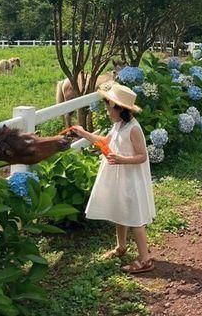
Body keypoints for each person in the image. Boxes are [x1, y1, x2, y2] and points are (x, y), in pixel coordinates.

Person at [71, 82, 156, 274]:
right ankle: (121, 247)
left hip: (131, 179)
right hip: (120, 176)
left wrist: (121, 159)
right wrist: (82, 132)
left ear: (120, 109)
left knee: (135, 217)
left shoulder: (133, 129)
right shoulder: (119, 125)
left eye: (109, 106)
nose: (107, 110)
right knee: (120, 211)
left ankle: (145, 259)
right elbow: (105, 142)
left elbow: (142, 156)